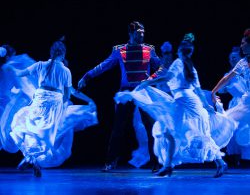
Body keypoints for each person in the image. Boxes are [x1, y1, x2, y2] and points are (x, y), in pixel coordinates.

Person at [115, 33, 236, 178]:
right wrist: (206, 106)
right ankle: (214, 163)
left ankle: (169, 165)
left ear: (179, 51)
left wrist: (147, 82)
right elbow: (197, 89)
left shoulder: (179, 63)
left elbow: (167, 77)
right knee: (196, 134)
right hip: (192, 102)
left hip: (183, 102)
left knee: (171, 132)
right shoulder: (191, 68)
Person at [78, 21, 161, 171]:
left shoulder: (149, 50)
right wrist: (87, 76)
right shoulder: (120, 50)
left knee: (150, 126)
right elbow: (104, 65)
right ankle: (111, 161)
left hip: (143, 92)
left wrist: (150, 79)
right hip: (126, 92)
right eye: (138, 33)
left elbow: (161, 67)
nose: (141, 35)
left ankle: (156, 162)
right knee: (118, 127)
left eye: (143, 33)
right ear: (131, 33)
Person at [9, 39, 97, 177]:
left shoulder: (40, 65)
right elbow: (70, 93)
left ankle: (30, 157)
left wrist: (8, 65)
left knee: (28, 127)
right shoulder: (65, 70)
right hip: (54, 102)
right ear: (63, 54)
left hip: (39, 100)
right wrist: (87, 100)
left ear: (51, 52)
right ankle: (31, 158)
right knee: (46, 135)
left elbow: (19, 74)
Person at [128, 41, 174, 169]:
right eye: (164, 55)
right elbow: (151, 80)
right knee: (155, 132)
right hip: (159, 105)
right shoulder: (158, 70)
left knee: (171, 132)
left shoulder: (175, 69)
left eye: (169, 55)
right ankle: (158, 161)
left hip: (171, 103)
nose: (167, 58)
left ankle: (168, 161)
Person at [211, 28, 250, 163]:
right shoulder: (243, 62)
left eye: (243, 43)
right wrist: (213, 91)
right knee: (225, 121)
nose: (241, 46)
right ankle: (219, 159)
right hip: (246, 103)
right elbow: (227, 78)